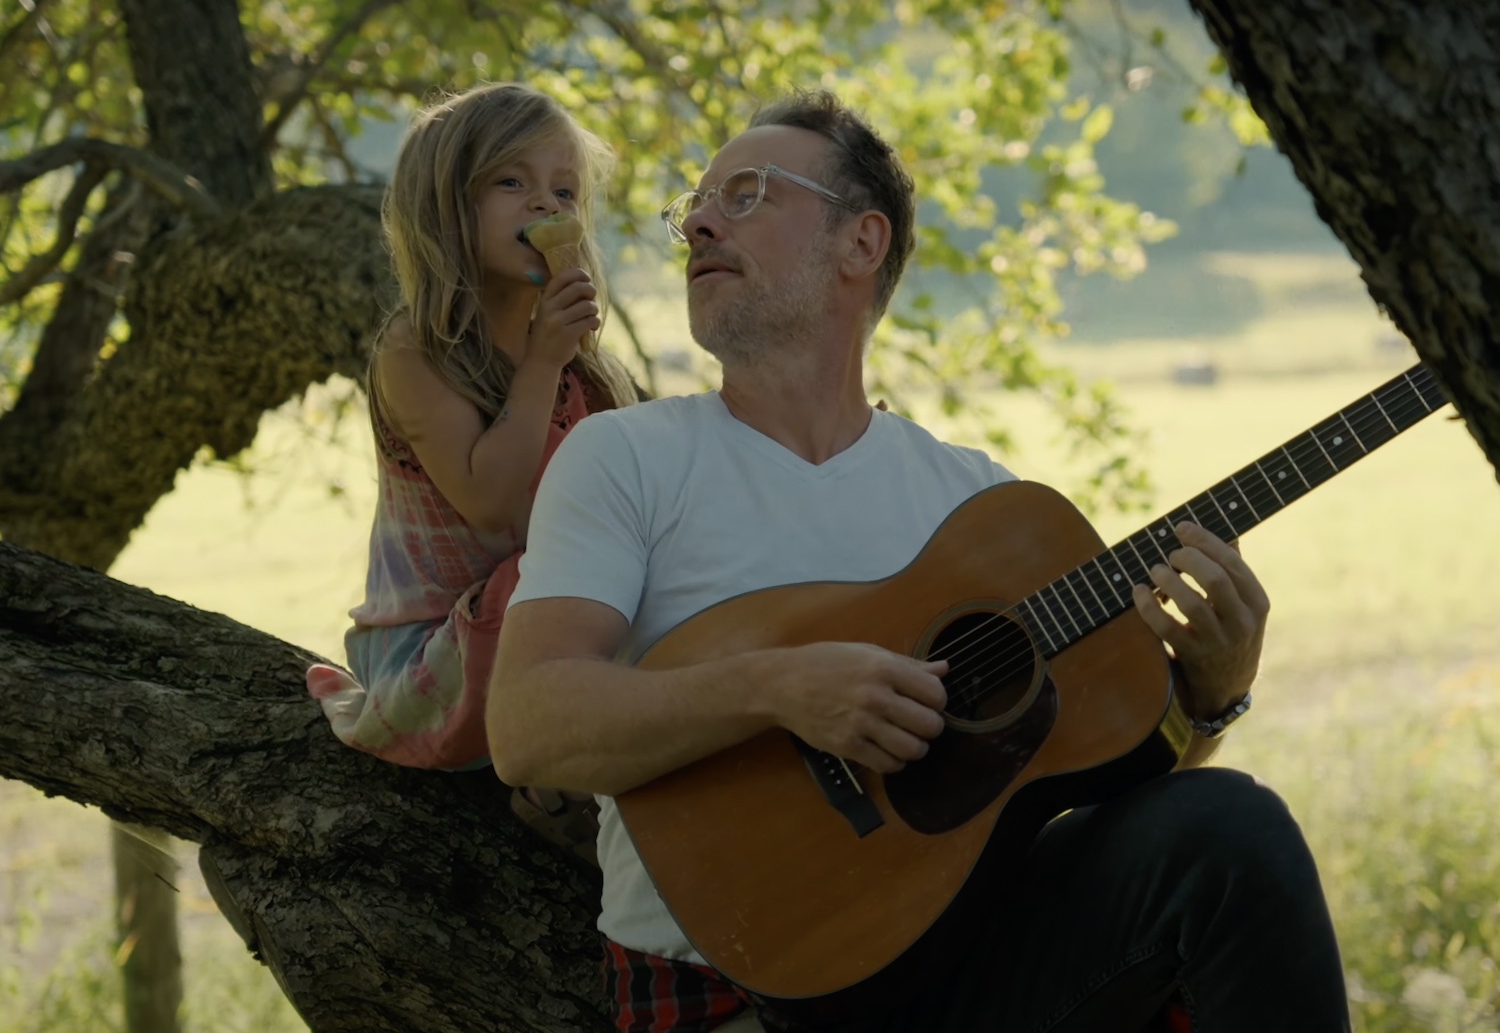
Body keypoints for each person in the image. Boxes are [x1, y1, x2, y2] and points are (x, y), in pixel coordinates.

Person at [487, 89, 1350, 1031]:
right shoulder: (628, 457)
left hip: (967, 966)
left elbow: (1084, 785)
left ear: (861, 242)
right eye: (693, 204)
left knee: (1231, 828)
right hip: (746, 998)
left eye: (744, 194)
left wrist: (1211, 701)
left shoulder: (983, 508)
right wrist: (777, 689)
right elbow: (529, 727)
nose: (696, 221)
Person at [305, 81, 636, 861]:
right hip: (436, 658)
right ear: (447, 206)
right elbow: (491, 503)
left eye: (564, 189)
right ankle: (565, 781)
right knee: (550, 577)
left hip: (541, 631)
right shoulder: (416, 350)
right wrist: (543, 365)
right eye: (511, 183)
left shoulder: (583, 365)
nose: (544, 204)